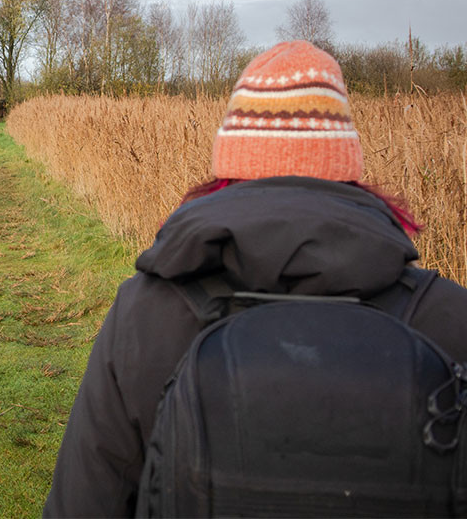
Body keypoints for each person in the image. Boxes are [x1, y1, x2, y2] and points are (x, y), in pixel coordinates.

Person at [43, 40, 467, 518]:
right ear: (348, 169)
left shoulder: (146, 314)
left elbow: (83, 503)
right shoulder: (448, 320)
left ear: (228, 167)